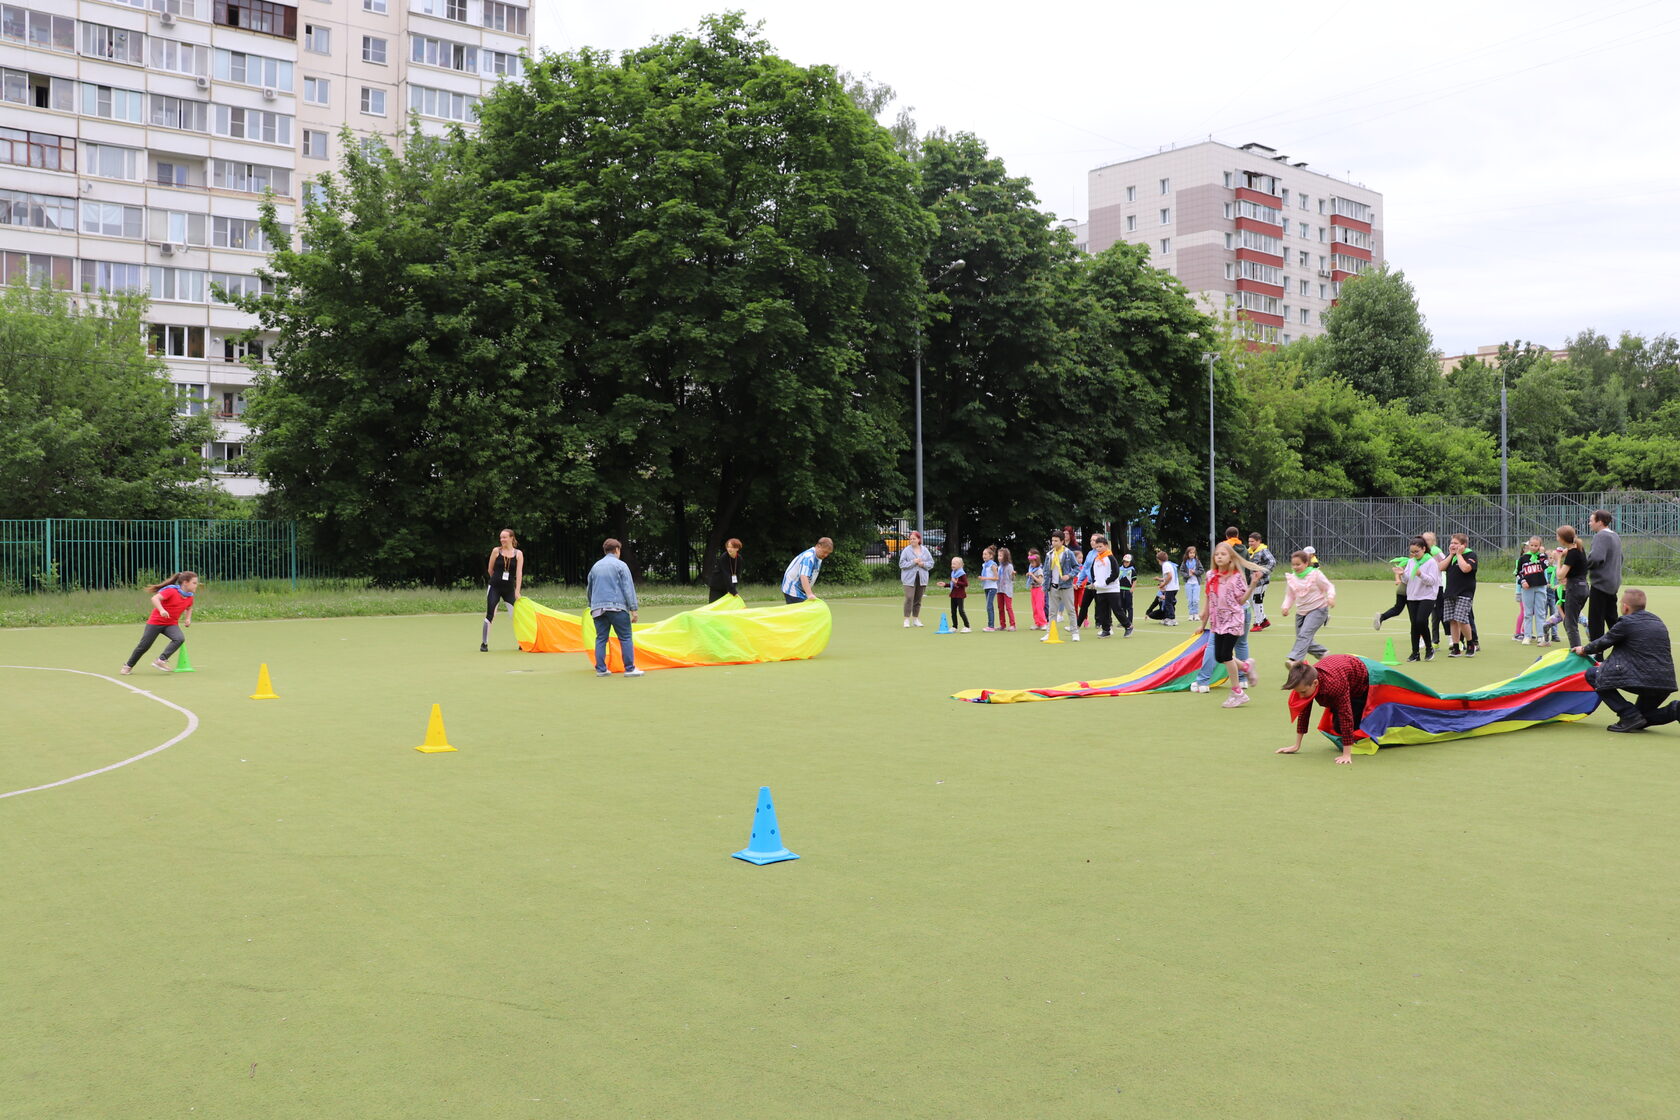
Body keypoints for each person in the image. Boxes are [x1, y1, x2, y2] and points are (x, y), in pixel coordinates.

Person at [1576, 588, 1679, 732]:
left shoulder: (1626, 622)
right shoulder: (1658, 622)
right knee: (1641, 719)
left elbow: (1603, 642)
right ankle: (1676, 710)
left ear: (1625, 607)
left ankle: (1627, 714)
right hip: (1665, 682)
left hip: (1642, 679)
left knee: (1593, 674)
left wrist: (1584, 650)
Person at [1200, 541, 1263, 708]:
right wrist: (1204, 615)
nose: (1219, 557)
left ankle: (1237, 692)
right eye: (1217, 554)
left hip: (1233, 620)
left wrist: (1253, 584)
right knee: (1219, 656)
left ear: (1230, 558)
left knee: (1226, 655)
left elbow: (1241, 600)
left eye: (1223, 554)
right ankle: (1246, 666)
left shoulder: (1236, 577)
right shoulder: (1210, 575)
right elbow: (1208, 596)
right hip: (1218, 621)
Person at [1277, 656, 1369, 765]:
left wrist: (1346, 754)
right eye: (1298, 693)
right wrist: (1296, 745)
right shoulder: (1305, 683)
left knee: (1343, 725)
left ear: (1315, 683)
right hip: (1339, 672)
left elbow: (1346, 715)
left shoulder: (1334, 685)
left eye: (1303, 692)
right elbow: (1304, 712)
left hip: (1359, 681)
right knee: (1337, 726)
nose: (1301, 696)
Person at [121, 571, 198, 674]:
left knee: (179, 638)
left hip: (171, 624)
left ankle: (161, 660)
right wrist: (161, 610)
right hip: (155, 622)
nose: (196, 585)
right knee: (144, 646)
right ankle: (128, 666)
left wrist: (188, 619)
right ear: (185, 582)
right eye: (194, 583)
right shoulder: (171, 591)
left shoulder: (190, 596)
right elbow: (155, 598)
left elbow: (189, 608)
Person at [587, 539, 642, 677]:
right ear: (617, 549)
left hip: (598, 608)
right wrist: (633, 609)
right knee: (625, 637)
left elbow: (589, 589)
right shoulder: (621, 565)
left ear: (605, 551)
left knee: (601, 638)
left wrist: (591, 605)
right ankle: (629, 669)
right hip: (617, 607)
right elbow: (628, 588)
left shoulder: (595, 567)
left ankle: (601, 669)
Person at [1279, 550, 1336, 666]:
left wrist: (1330, 597)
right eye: (1293, 564)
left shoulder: (1316, 575)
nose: (1295, 567)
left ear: (1306, 563)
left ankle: (1295, 661)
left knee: (1304, 635)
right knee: (1303, 638)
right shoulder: (1292, 578)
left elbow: (1329, 586)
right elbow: (1290, 595)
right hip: (1301, 612)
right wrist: (1286, 607)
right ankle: (1323, 654)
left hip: (1318, 609)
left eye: (1298, 564)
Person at [481, 528, 524, 651]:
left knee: (516, 616)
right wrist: (496, 581)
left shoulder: (518, 554)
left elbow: (519, 573)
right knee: (490, 615)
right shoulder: (496, 551)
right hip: (494, 587)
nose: (502, 540)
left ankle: (522, 643)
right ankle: (484, 643)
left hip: (509, 589)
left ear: (511, 538)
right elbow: (490, 570)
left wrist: (517, 591)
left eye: (504, 537)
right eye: (501, 537)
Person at [1585, 509, 1623, 644]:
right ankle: (1623, 648)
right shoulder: (1615, 536)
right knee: (1612, 619)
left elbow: (1596, 558)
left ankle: (1597, 654)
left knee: (1596, 622)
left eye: (1591, 520)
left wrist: (1583, 566)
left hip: (1600, 584)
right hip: (1612, 583)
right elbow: (1621, 558)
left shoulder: (1601, 536)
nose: (1589, 523)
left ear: (1600, 522)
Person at [1404, 536, 1442, 662]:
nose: (1414, 554)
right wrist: (1402, 574)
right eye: (1412, 552)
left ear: (1424, 549)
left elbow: (1432, 581)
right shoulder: (1411, 562)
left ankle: (1429, 648)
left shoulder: (1431, 562)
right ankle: (1415, 653)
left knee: (1421, 621)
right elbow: (1407, 579)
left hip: (1427, 596)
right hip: (1412, 596)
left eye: (1417, 552)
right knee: (1414, 624)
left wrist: (1420, 574)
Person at [1439, 532, 1478, 656]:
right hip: (1450, 591)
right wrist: (1451, 554)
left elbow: (1466, 568)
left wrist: (1459, 555)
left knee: (1461, 619)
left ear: (1463, 545)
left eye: (1456, 543)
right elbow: (1440, 567)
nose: (1452, 545)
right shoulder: (1451, 556)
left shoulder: (1470, 555)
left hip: (1465, 592)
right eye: (1451, 543)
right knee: (1452, 620)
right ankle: (1456, 647)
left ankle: (1471, 643)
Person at [1553, 526, 1588, 650]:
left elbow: (1560, 575)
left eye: (1558, 536)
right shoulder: (1579, 548)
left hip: (1574, 589)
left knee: (1570, 623)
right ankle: (1577, 648)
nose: (1556, 538)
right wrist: (1563, 553)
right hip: (1584, 588)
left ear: (1562, 539)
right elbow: (1570, 551)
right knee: (1571, 620)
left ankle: (1576, 650)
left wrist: (1557, 560)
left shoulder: (1572, 553)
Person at [1042, 532, 1080, 642]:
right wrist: (1045, 586)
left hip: (1066, 586)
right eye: (1052, 540)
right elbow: (1045, 571)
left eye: (1056, 541)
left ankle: (1074, 632)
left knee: (1070, 610)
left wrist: (1069, 575)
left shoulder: (1068, 554)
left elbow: (1076, 568)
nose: (1053, 543)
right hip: (1053, 587)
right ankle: (1049, 633)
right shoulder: (1050, 554)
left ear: (1062, 541)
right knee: (1052, 612)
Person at [1515, 536, 1550, 646]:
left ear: (1540, 546)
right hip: (1527, 588)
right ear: (1528, 545)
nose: (1534, 547)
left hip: (1540, 587)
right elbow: (1518, 573)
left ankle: (1541, 636)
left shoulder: (1542, 557)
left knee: (1540, 612)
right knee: (1528, 612)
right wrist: (1522, 581)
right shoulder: (1523, 558)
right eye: (1532, 545)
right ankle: (1527, 635)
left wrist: (1542, 554)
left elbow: (1545, 566)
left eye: (1536, 546)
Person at [1086, 534, 1122, 638]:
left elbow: (1115, 573)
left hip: (1111, 589)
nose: (1098, 549)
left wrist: (1106, 582)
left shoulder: (1110, 558)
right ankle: (1106, 630)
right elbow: (1093, 572)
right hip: (1100, 589)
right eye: (1097, 547)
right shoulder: (1096, 559)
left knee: (1116, 610)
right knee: (1102, 611)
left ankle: (1128, 626)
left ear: (1106, 546)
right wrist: (1095, 582)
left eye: (1100, 546)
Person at [780, 537, 833, 604]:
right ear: (818, 546)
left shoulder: (818, 558)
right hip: (792, 588)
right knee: (800, 613)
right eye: (824, 552)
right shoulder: (809, 557)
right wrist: (809, 594)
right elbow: (804, 576)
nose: (826, 555)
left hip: (800, 590)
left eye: (828, 553)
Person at [898, 530, 933, 627]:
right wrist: (913, 562)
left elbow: (931, 563)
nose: (912, 540)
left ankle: (916, 619)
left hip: (922, 578)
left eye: (914, 539)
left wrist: (923, 564)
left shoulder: (925, 550)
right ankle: (906, 619)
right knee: (909, 598)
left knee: (918, 599)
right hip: (908, 579)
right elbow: (902, 564)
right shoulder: (906, 550)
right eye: (911, 539)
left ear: (919, 539)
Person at [1373, 549, 1413, 631]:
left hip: (1401, 590)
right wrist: (1398, 579)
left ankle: (1382, 617)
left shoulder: (1408, 563)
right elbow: (1399, 571)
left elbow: (1398, 571)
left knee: (1397, 609)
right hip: (1408, 591)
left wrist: (1398, 579)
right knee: (1414, 614)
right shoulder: (1410, 563)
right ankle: (1416, 633)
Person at [1246, 533, 1276, 631]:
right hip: (1252, 581)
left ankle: (1258, 623)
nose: (1250, 543)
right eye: (1249, 541)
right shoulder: (1249, 552)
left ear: (1259, 541)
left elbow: (1272, 562)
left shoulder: (1263, 551)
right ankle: (1264, 620)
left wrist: (1262, 572)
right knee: (1251, 601)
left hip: (1262, 581)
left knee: (1257, 600)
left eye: (1252, 541)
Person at [939, 556, 971, 632]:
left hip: (960, 595)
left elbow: (965, 584)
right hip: (953, 594)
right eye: (952, 563)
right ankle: (954, 626)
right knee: (953, 611)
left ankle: (967, 626)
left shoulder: (962, 574)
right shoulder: (953, 573)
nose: (952, 565)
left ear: (960, 565)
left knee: (961, 611)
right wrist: (945, 585)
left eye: (954, 564)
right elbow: (952, 584)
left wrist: (957, 582)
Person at [708, 537, 743, 604]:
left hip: (727, 587)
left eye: (732, 547)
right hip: (717, 586)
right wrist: (733, 591)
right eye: (728, 547)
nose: (729, 549)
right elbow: (726, 574)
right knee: (714, 606)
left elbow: (737, 574)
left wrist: (733, 588)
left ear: (737, 548)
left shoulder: (739, 559)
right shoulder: (724, 557)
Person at [1155, 549, 1180, 626]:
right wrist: (1160, 579)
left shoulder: (1165, 565)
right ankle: (1169, 617)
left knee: (1168, 603)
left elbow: (1169, 576)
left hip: (1171, 587)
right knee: (1168, 602)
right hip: (1175, 587)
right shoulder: (1169, 564)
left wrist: (1163, 584)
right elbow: (1168, 576)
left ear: (1159, 560)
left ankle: (1172, 619)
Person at [996, 547, 1017, 631]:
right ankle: (1002, 624)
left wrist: (1013, 575)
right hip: (999, 589)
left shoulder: (1009, 566)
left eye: (1000, 555)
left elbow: (1012, 579)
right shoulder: (999, 567)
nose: (999, 557)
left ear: (1005, 556)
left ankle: (1013, 625)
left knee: (1008, 607)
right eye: (998, 555)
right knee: (1000, 608)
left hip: (1007, 590)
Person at [980, 546, 1000, 631]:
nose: (984, 556)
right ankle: (991, 625)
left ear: (991, 556)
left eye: (986, 554)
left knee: (989, 606)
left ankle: (991, 626)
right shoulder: (984, 565)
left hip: (992, 587)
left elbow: (996, 578)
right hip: (986, 587)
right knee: (989, 606)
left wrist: (985, 578)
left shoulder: (992, 565)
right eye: (983, 554)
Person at [1116, 552, 1136, 638]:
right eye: (1124, 562)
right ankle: (1123, 621)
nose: (1126, 563)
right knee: (1121, 606)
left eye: (1127, 562)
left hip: (1128, 590)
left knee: (1129, 606)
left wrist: (1132, 588)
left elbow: (1134, 580)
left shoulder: (1132, 570)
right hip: (1120, 589)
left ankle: (1129, 621)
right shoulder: (1120, 569)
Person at [1026, 549, 1047, 629]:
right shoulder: (1032, 569)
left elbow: (1040, 581)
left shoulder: (1039, 570)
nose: (1031, 564)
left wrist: (1032, 576)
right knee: (1034, 607)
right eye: (1030, 562)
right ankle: (1037, 623)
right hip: (1033, 589)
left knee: (1039, 606)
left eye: (1033, 562)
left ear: (1037, 562)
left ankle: (1043, 623)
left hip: (1039, 589)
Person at [1182, 545, 1203, 621]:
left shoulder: (1197, 562)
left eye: (1193, 553)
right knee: (1190, 600)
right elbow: (1181, 571)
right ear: (1187, 554)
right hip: (1188, 584)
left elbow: (1201, 570)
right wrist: (1188, 575)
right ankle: (1191, 614)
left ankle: (1196, 614)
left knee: (1196, 600)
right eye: (1190, 553)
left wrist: (1195, 572)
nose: (1192, 554)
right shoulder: (1184, 562)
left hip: (1196, 583)